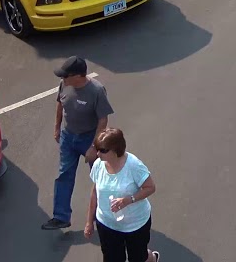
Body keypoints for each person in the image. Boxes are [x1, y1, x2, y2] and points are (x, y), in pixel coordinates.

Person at [43, 56, 114, 231]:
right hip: (68, 137)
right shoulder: (65, 85)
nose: (62, 79)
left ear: (78, 76)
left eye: (65, 76)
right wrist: (57, 128)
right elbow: (60, 105)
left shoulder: (96, 91)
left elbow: (103, 120)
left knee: (100, 178)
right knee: (64, 175)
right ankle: (61, 217)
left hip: (89, 138)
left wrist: (93, 147)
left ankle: (103, 215)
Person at [84, 128, 158, 262]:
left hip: (135, 225)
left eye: (103, 150)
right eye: (97, 149)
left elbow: (150, 187)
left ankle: (151, 258)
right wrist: (89, 222)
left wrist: (128, 200)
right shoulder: (98, 165)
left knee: (138, 258)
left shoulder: (133, 166)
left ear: (115, 150)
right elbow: (95, 192)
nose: (98, 154)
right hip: (107, 224)